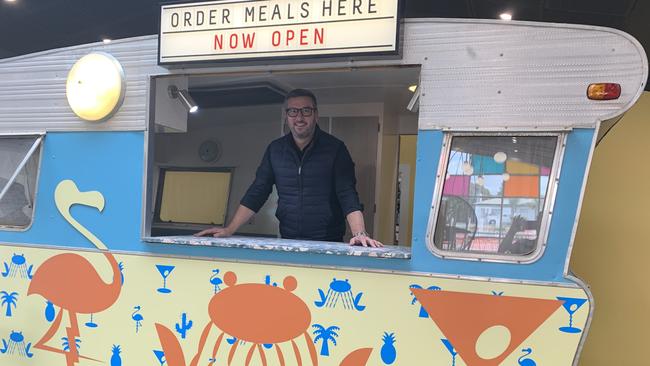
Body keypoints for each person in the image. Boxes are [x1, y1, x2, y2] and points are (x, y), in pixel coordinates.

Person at [196, 89, 382, 247]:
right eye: (293, 111)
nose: (299, 117)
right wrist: (229, 230)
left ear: (316, 114)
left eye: (306, 111)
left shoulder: (335, 149)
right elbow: (257, 192)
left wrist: (359, 233)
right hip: (287, 240)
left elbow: (347, 193)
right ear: (286, 116)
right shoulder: (275, 150)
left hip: (328, 241)